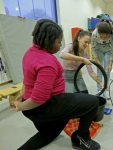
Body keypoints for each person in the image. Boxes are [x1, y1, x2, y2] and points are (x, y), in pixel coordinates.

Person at [11, 19, 101, 150]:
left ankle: (46, 132)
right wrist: (21, 106)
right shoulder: (47, 62)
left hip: (32, 106)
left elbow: (28, 79)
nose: (60, 46)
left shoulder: (30, 52)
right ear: (48, 41)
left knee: (49, 133)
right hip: (41, 107)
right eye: (59, 42)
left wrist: (23, 94)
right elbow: (38, 99)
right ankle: (81, 138)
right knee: (92, 102)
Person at [59, 30, 107, 94]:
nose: (87, 45)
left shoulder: (85, 54)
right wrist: (81, 59)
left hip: (78, 76)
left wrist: (100, 83)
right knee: (70, 98)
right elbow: (61, 54)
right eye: (85, 42)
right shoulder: (70, 47)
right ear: (79, 38)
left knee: (84, 95)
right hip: (66, 77)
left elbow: (91, 72)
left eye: (88, 43)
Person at [91, 19, 113, 99]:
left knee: (107, 70)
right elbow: (93, 48)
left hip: (108, 51)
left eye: (105, 37)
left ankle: (106, 90)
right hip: (98, 51)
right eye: (101, 37)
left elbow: (112, 49)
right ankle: (99, 90)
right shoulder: (94, 34)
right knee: (99, 70)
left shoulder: (112, 34)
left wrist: (111, 63)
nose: (103, 39)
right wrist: (97, 62)